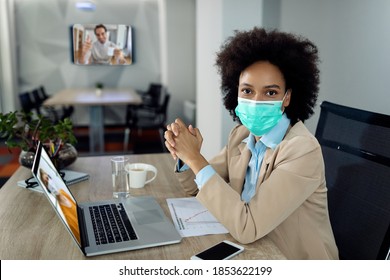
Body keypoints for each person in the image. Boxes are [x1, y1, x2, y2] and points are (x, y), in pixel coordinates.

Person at [164, 27, 339, 259]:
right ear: (235, 92)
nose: (255, 101)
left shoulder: (303, 150)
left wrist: (196, 159)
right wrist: (186, 157)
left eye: (270, 93)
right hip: (255, 251)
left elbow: (248, 227)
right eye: (247, 90)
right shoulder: (241, 135)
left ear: (286, 97)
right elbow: (196, 187)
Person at [39, 168, 81, 244]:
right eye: (46, 183)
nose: (49, 183)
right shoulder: (60, 210)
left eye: (48, 178)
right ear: (46, 188)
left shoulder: (63, 192)